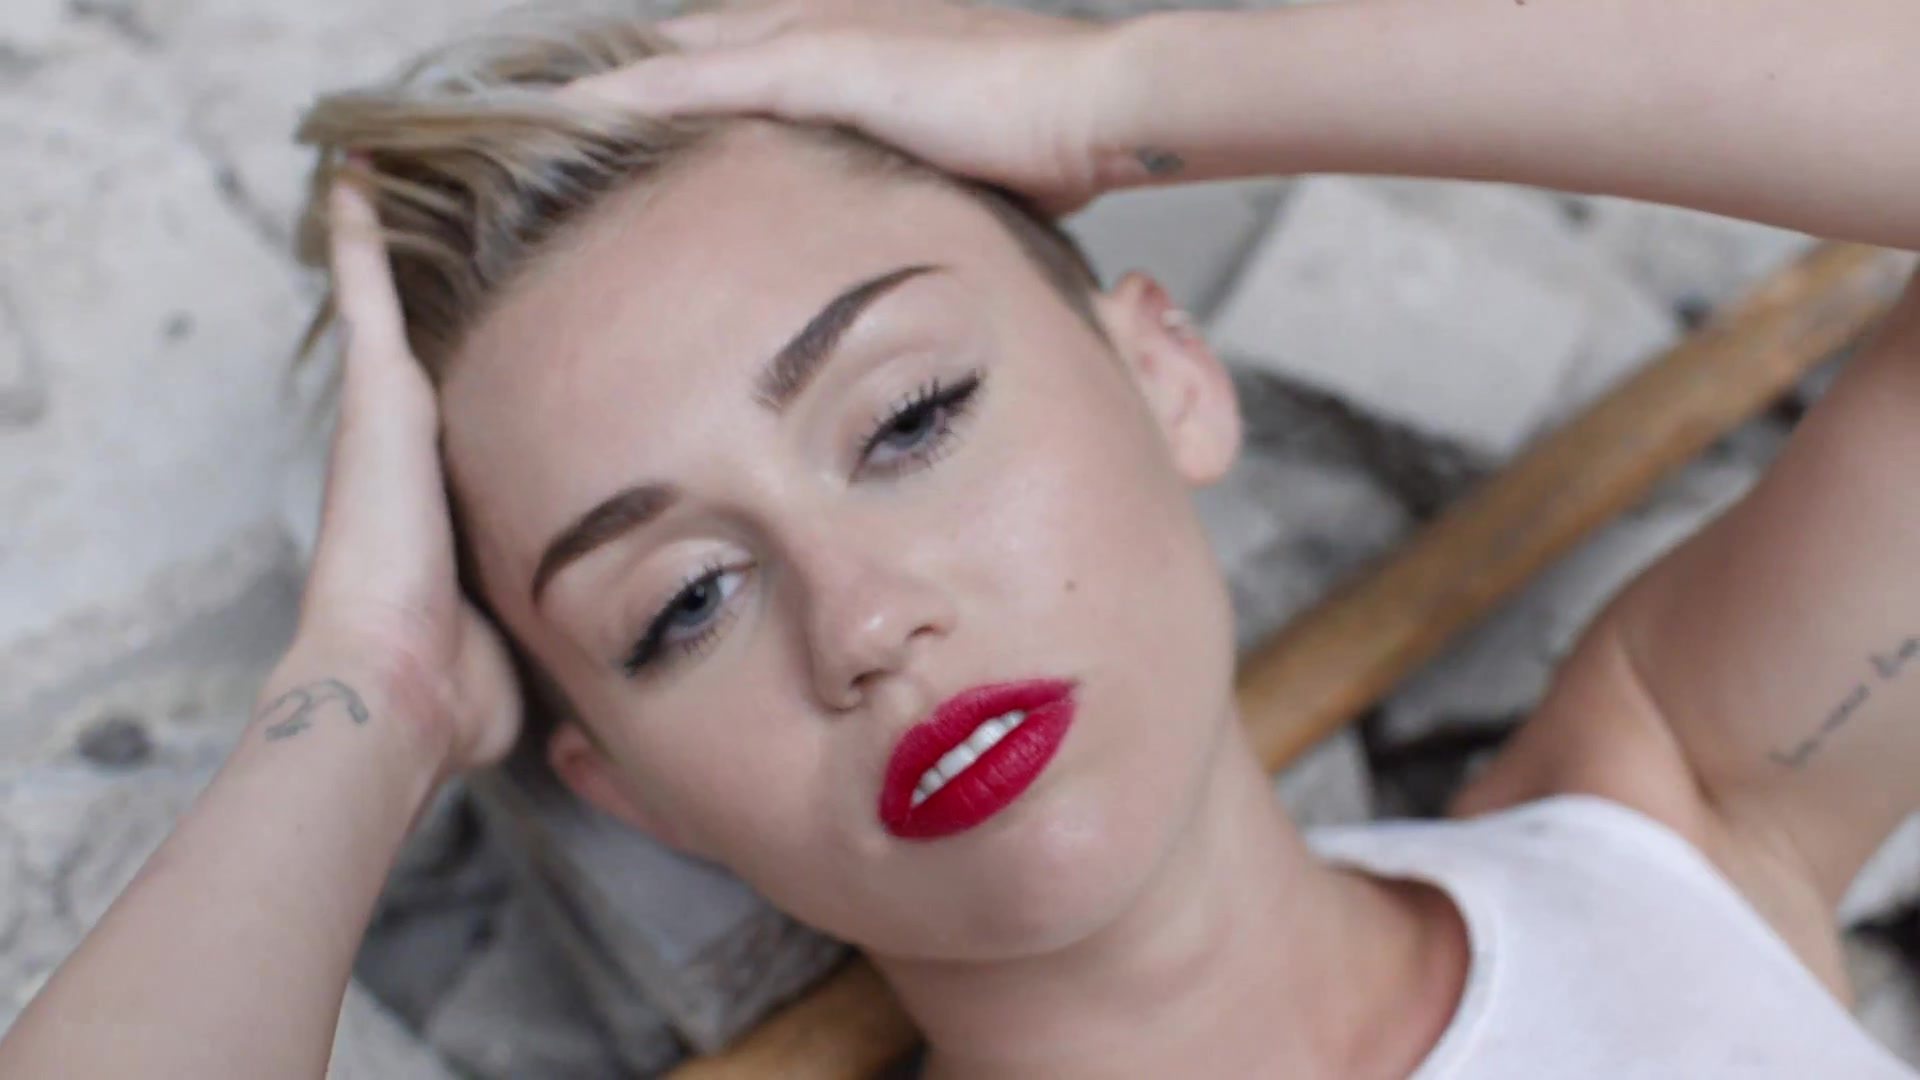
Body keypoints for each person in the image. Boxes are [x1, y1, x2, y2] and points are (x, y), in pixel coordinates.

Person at [3, 0, 1918, 1075]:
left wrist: (1110, 92)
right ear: (631, 789)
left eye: (909, 418)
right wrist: (372, 691)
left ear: (1168, 377)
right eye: (683, 604)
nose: (861, 621)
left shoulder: (1679, 818)